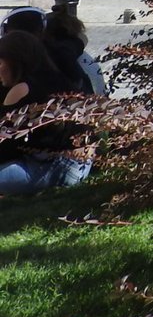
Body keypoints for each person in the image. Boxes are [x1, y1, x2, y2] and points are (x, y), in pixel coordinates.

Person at [0, 31, 91, 194]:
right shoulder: (57, 79)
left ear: (15, 61)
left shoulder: (22, 89)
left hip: (53, 168)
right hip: (81, 166)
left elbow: (5, 147)